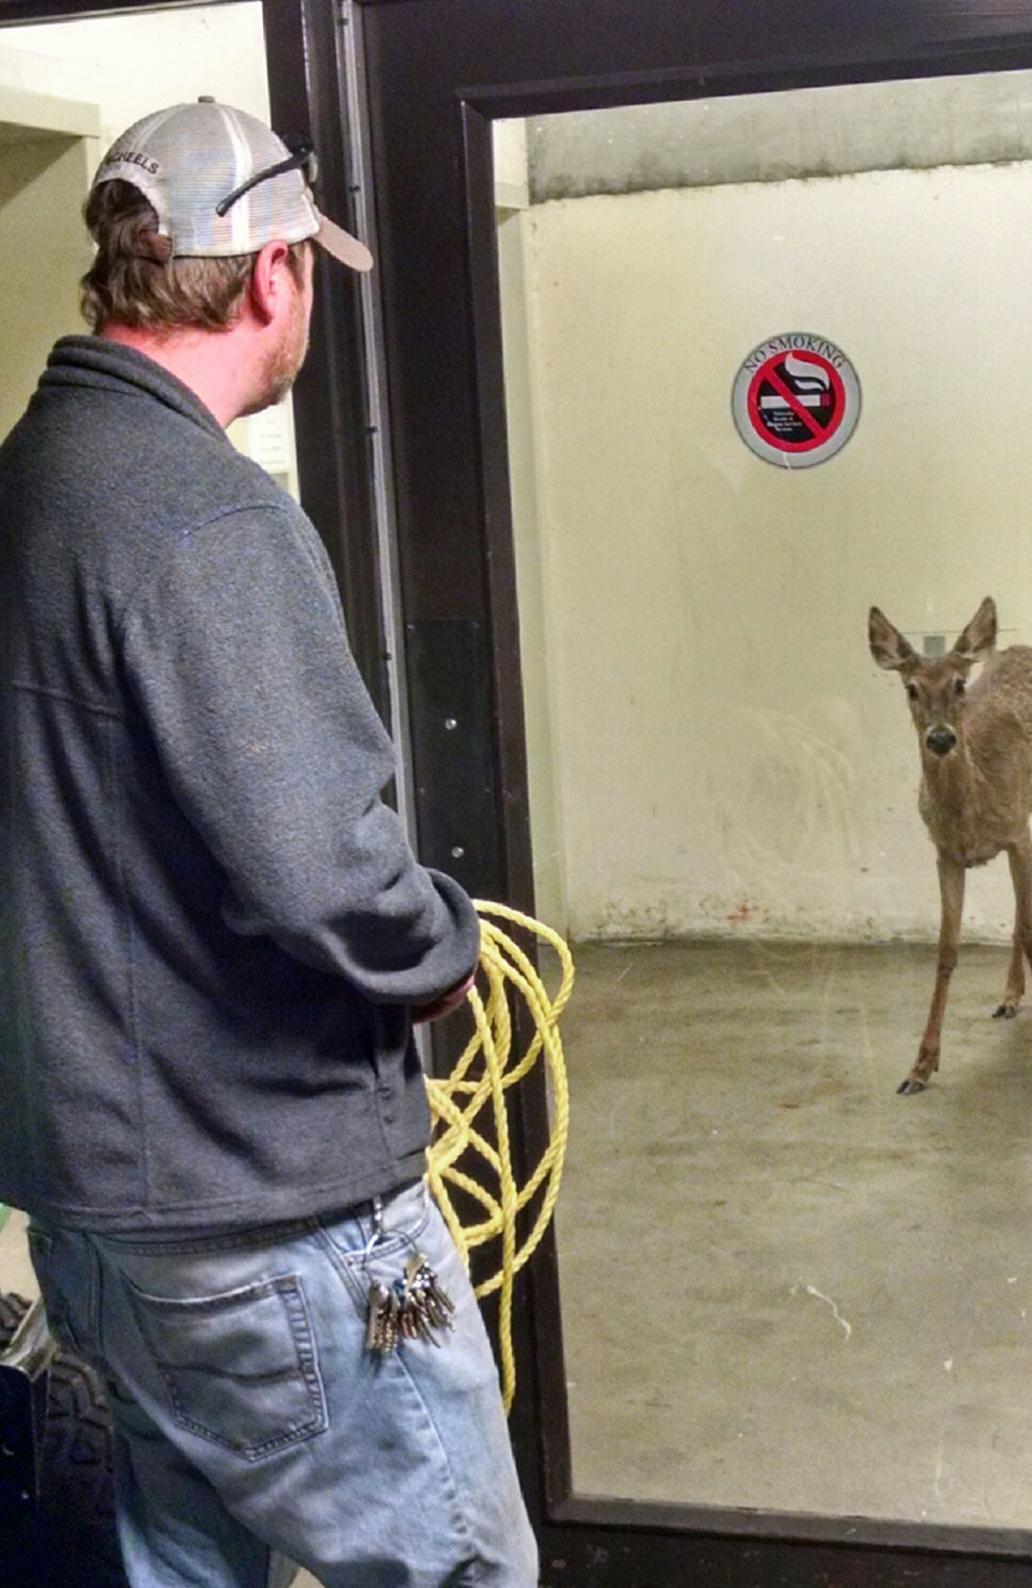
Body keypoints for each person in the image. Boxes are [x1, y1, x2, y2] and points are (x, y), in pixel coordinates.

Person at [0, 99, 537, 1588]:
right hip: (273, 1221)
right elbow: (323, 870)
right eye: (304, 267)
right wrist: (440, 952)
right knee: (458, 1571)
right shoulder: (206, 520)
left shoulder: (30, 486)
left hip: (98, 1215)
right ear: (270, 277)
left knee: (185, 1569)